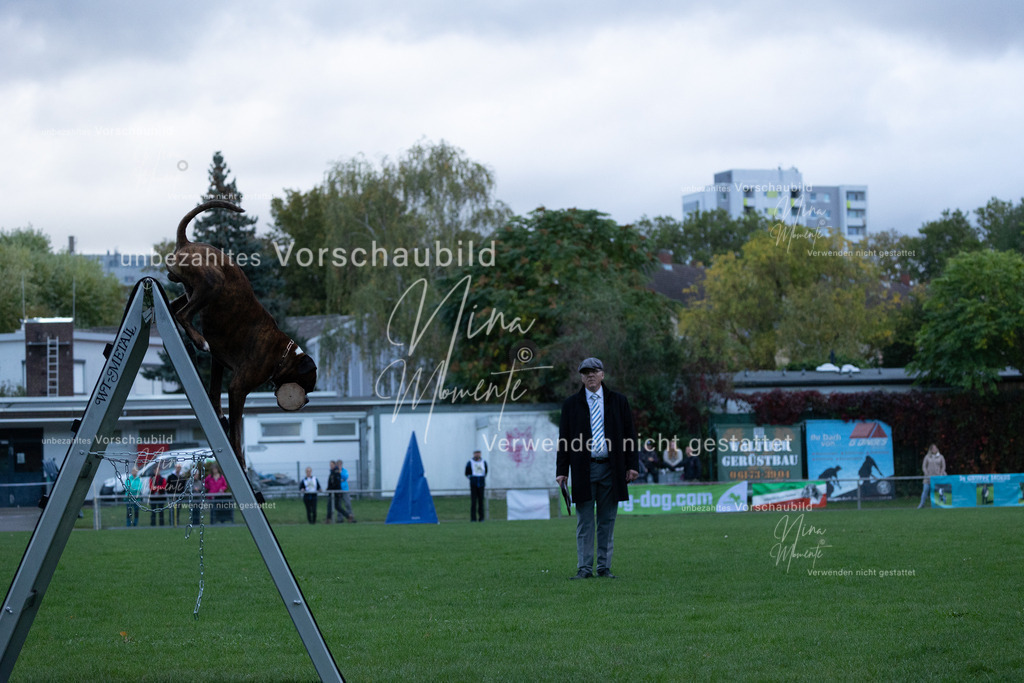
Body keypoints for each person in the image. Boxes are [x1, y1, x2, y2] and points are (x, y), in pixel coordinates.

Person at [556, 357, 639, 580]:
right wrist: (561, 471)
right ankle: (584, 568)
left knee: (607, 521)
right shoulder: (571, 405)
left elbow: (630, 434)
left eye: (594, 371)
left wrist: (632, 465)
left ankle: (603, 568)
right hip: (584, 469)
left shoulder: (619, 401)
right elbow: (564, 439)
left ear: (603, 374)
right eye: (585, 372)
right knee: (585, 521)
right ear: (581, 377)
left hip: (612, 469)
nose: (590, 375)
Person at [918, 444, 947, 508]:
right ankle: (921, 504)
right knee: (925, 491)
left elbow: (943, 466)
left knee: (937, 492)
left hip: (937, 478)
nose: (934, 450)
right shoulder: (927, 457)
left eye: (935, 448)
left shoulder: (941, 457)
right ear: (930, 450)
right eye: (933, 449)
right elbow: (924, 466)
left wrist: (941, 473)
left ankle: (935, 505)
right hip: (928, 478)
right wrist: (926, 474)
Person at [465, 449, 488, 521]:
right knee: (473, 502)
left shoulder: (483, 462)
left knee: (481, 501)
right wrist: (472, 478)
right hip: (474, 484)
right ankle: (473, 518)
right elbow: (467, 473)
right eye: (476, 453)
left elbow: (486, 472)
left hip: (481, 484)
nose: (477, 454)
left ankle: (481, 518)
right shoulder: (470, 462)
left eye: (478, 453)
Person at [166, 463, 186, 527]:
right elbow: (167, 486)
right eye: (177, 467)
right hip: (172, 496)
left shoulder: (182, 477)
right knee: (171, 510)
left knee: (178, 510)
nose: (178, 469)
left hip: (179, 496)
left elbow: (183, 487)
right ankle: (171, 523)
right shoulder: (170, 476)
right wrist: (170, 493)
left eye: (179, 467)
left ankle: (176, 522)